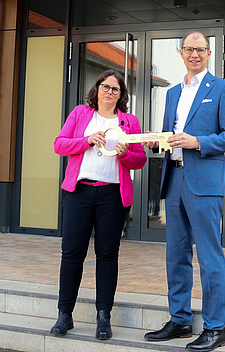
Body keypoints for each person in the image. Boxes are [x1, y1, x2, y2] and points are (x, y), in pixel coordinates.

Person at [143, 32, 225, 351]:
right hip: (174, 181)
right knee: (176, 254)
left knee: (210, 256)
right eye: (189, 49)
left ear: (209, 53)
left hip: (205, 183)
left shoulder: (223, 89)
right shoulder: (172, 93)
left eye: (200, 49)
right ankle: (180, 320)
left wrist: (198, 142)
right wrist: (155, 142)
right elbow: (169, 138)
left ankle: (215, 328)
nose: (194, 54)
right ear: (181, 53)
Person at [51, 70, 146, 340]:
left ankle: (103, 316)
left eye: (115, 89)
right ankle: (64, 315)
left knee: (107, 255)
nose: (109, 92)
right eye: (106, 87)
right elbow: (59, 144)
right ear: (97, 89)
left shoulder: (129, 122)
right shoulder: (81, 114)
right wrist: (88, 140)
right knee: (71, 254)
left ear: (121, 95)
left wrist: (126, 154)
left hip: (112, 197)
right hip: (80, 192)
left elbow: (139, 160)